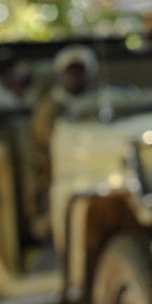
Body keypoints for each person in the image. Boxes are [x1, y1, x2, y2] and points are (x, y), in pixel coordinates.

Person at [29, 45, 97, 241]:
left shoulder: (94, 102)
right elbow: (54, 145)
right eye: (70, 72)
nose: (75, 77)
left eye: (80, 72)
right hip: (55, 180)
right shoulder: (48, 110)